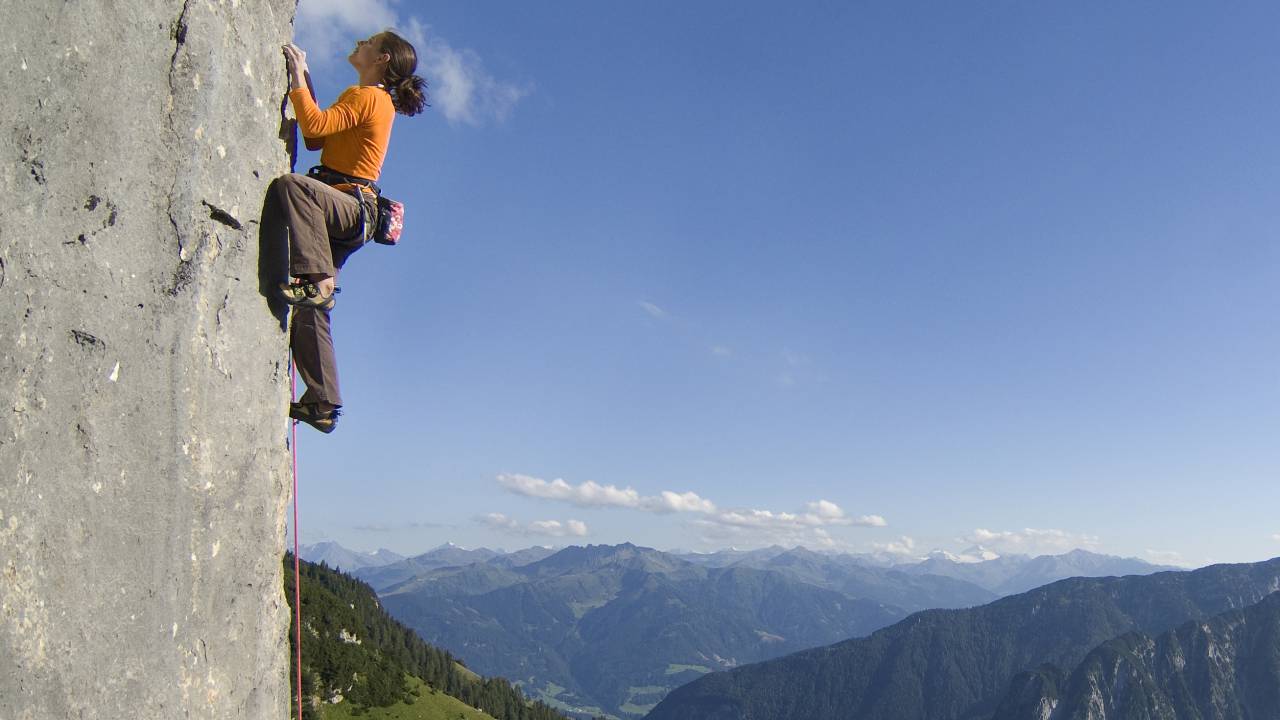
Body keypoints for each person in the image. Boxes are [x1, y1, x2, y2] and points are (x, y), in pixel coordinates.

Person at [272, 32, 426, 433]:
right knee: (311, 309)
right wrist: (305, 79)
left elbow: (315, 123)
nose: (359, 43)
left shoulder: (370, 97)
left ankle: (316, 282)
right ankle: (322, 403)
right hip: (346, 212)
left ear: (381, 57)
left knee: (294, 186)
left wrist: (295, 80)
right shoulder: (364, 98)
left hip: (348, 206)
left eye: (368, 41)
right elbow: (315, 136)